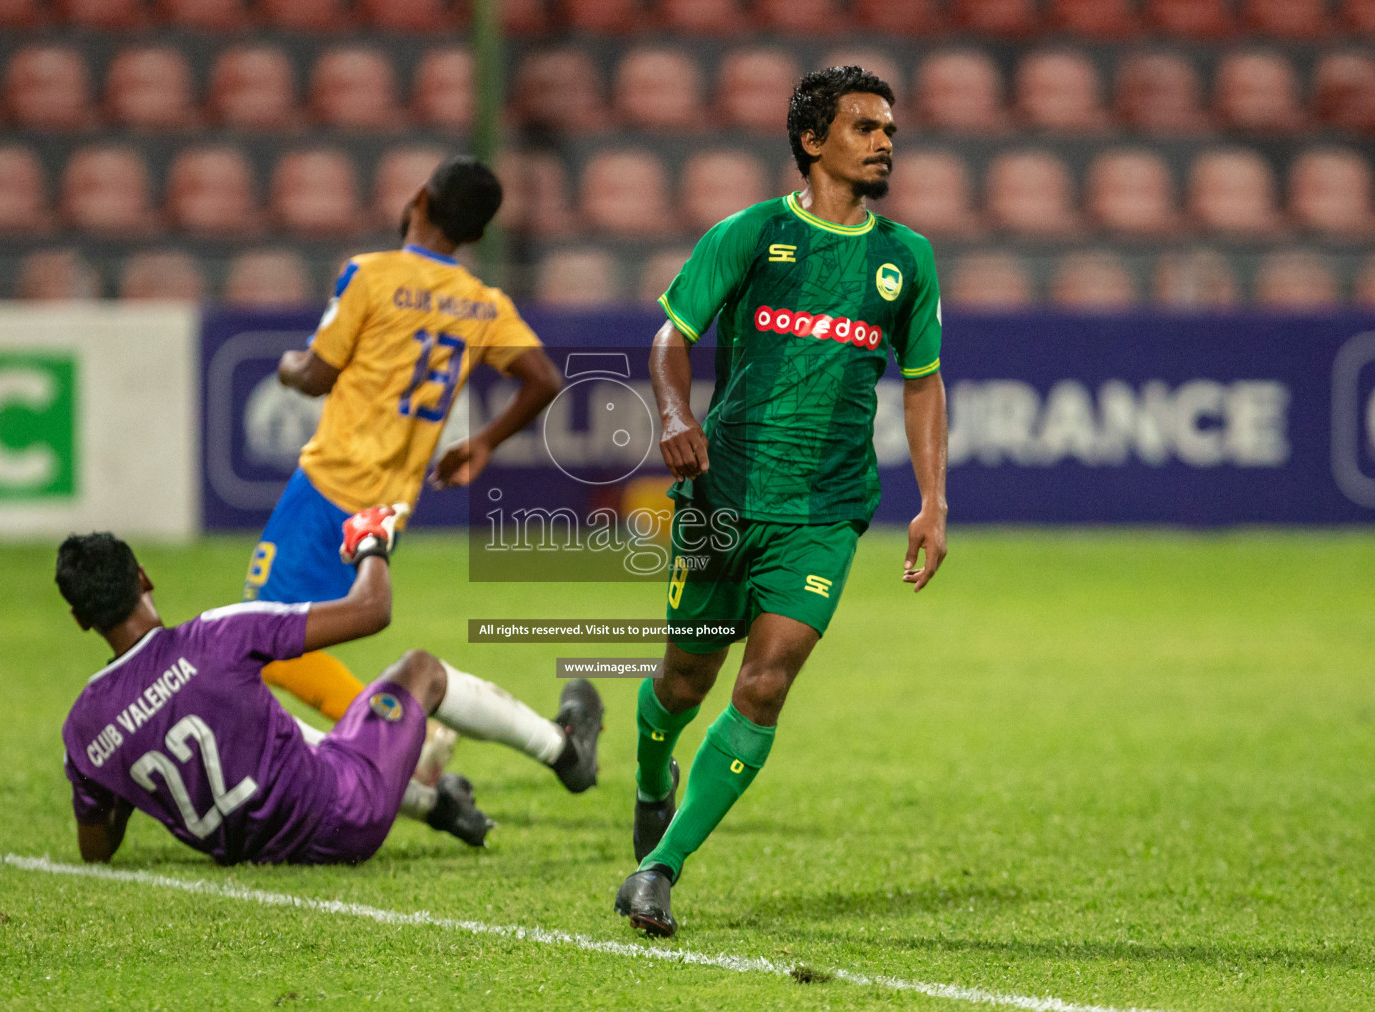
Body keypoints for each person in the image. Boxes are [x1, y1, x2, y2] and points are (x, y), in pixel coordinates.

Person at [613, 66, 949, 936]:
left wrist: (932, 501)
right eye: (865, 127)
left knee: (764, 684)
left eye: (890, 131)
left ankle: (659, 869)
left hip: (826, 508)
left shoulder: (906, 259)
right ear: (812, 140)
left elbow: (922, 385)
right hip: (725, 495)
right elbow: (670, 336)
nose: (884, 142)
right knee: (684, 682)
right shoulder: (752, 233)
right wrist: (678, 413)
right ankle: (654, 778)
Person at [58, 506, 602, 866]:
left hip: (259, 851)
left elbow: (96, 848)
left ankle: (438, 805)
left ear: (82, 621)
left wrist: (124, 768)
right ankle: (563, 750)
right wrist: (371, 545)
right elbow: (371, 610)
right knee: (420, 670)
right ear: (145, 578)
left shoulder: (85, 724)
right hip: (341, 816)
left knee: (269, 724)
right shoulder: (218, 635)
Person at [244, 154, 564, 758]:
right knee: (278, 643)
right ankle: (424, 743)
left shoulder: (370, 275)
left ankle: (411, 746)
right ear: (475, 235)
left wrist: (287, 367)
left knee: (264, 645)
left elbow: (315, 376)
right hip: (390, 504)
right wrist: (485, 442)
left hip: (331, 483)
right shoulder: (482, 302)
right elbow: (544, 379)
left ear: (419, 199)